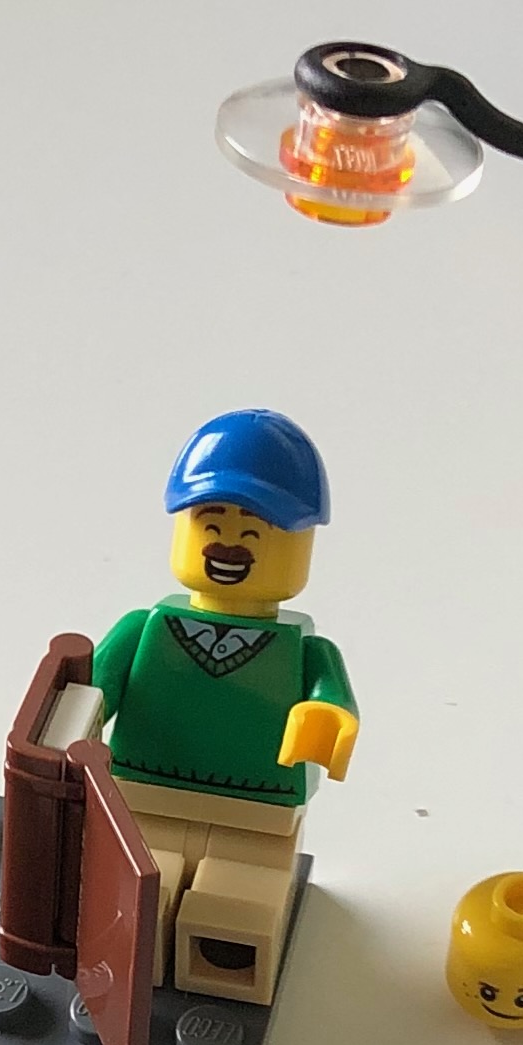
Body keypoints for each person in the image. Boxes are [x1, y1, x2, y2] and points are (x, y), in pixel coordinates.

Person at [91, 409, 357, 1005]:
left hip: (257, 815)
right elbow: (93, 687)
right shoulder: (144, 627)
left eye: (256, 534)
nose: (229, 545)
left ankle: (221, 967)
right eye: (211, 525)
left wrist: (327, 719)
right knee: (134, 895)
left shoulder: (305, 651)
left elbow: (332, 698)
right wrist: (72, 720)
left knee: (235, 905)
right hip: (142, 798)